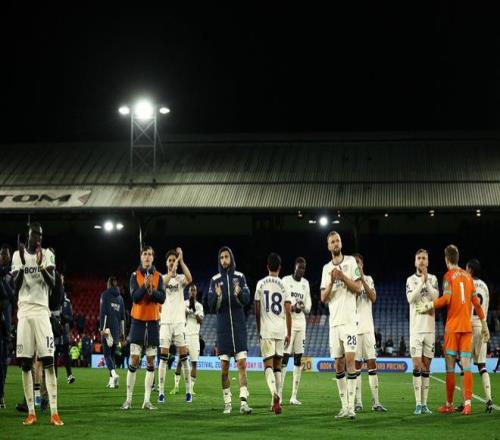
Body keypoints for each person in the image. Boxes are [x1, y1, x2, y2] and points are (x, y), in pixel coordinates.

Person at [416, 244, 489, 415]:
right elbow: (476, 303)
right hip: (467, 327)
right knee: (466, 366)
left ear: (446, 259)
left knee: (450, 367)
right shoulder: (468, 277)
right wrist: (484, 324)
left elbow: (447, 298)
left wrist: (429, 304)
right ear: (457, 258)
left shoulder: (448, 276)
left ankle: (449, 404)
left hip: (453, 327)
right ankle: (468, 405)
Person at [11, 222, 63, 426]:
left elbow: (52, 284)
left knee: (48, 360)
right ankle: (31, 412)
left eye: (41, 235)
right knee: (25, 364)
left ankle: (54, 412)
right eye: (35, 235)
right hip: (24, 312)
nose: (39, 238)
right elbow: (16, 286)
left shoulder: (47, 254)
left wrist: (40, 266)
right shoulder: (17, 256)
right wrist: (24, 263)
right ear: (28, 235)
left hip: (42, 311)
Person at [320, 231, 362, 420]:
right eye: (332, 242)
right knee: (338, 364)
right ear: (328, 246)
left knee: (350, 361)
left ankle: (351, 407)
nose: (335, 244)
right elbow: (323, 297)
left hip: (349, 321)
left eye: (337, 240)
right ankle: (344, 406)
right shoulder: (326, 268)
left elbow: (358, 288)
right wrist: (331, 281)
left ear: (341, 243)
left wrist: (343, 277)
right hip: (334, 323)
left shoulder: (351, 262)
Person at [208, 246, 252, 415]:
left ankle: (243, 402)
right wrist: (218, 296)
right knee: (224, 368)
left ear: (231, 258)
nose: (224, 260)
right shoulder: (215, 280)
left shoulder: (240, 277)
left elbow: (246, 299)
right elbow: (211, 305)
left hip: (239, 328)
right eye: (222, 257)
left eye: (226, 257)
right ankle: (227, 403)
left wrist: (239, 294)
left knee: (242, 365)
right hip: (223, 330)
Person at [121, 245, 165, 410]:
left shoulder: (159, 277)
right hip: (138, 323)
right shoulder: (135, 276)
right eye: (145, 254)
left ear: (153, 257)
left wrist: (152, 291)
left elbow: (162, 298)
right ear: (141, 257)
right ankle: (128, 400)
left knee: (151, 362)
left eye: (150, 254)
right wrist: (144, 286)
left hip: (153, 323)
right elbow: (135, 297)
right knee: (134, 360)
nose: (147, 257)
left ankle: (146, 401)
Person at [255, 253, 292, 415]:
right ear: (280, 268)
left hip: (267, 330)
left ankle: (274, 394)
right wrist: (288, 333)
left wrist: (259, 329)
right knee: (278, 366)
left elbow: (257, 310)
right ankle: (276, 401)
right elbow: (288, 311)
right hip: (280, 330)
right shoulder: (284, 285)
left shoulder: (261, 284)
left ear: (267, 267)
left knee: (268, 366)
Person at [157, 248, 193, 404]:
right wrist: (171, 272)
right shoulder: (161, 278)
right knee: (163, 358)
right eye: (170, 260)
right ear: (166, 263)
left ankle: (188, 391)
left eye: (174, 260)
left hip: (179, 322)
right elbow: (161, 285)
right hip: (165, 322)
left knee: (184, 357)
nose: (172, 262)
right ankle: (161, 392)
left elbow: (190, 278)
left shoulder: (180, 279)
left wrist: (182, 261)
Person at [352, 253, 387, 412]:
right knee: (357, 366)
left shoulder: (369, 279)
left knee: (372, 364)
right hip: (354, 329)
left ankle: (376, 402)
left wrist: (362, 279)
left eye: (358, 262)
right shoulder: (350, 282)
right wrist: (356, 282)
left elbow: (373, 297)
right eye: (354, 262)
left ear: (362, 264)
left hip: (368, 329)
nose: (356, 264)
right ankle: (358, 402)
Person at [406, 248, 439, 415]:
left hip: (430, 329)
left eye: (424, 258)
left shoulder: (433, 279)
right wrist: (421, 282)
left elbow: (436, 298)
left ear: (428, 261)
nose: (421, 261)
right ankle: (418, 404)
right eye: (419, 258)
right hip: (416, 330)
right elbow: (410, 299)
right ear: (415, 262)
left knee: (426, 367)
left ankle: (425, 404)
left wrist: (427, 281)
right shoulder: (410, 280)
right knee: (417, 365)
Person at [280, 257, 311, 405]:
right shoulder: (285, 281)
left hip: (301, 324)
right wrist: (292, 307)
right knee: (284, 359)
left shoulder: (305, 284)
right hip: (288, 324)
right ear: (295, 267)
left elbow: (309, 307)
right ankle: (279, 395)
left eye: (304, 268)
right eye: (300, 268)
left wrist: (302, 306)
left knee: (298, 359)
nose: (301, 271)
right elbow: (279, 303)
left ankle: (293, 396)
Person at [465, 259, 493, 412]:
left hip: (469, 328)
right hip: (482, 327)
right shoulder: (485, 287)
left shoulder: (467, 283)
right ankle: (489, 399)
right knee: (482, 366)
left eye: (466, 268)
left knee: (465, 366)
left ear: (470, 270)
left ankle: (466, 403)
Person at [170, 284, 204, 395]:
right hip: (184, 335)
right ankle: (176, 386)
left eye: (194, 290)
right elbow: (179, 317)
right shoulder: (183, 304)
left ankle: (191, 388)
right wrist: (186, 311)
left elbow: (201, 321)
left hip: (195, 336)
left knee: (194, 363)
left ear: (196, 292)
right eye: (191, 290)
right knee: (180, 361)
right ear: (188, 292)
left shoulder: (199, 306)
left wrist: (194, 312)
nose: (192, 292)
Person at [99, 276, 125, 389]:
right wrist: (123, 333)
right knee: (112, 355)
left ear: (108, 284)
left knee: (107, 355)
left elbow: (103, 313)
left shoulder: (105, 295)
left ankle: (114, 375)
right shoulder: (120, 298)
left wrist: (102, 328)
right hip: (117, 330)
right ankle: (112, 382)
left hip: (108, 329)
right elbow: (123, 317)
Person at [0, 244, 14, 409]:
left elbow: (13, 296)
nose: (4, 257)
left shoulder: (11, 275)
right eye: (2, 254)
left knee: (3, 361)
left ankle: (1, 394)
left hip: (6, 322)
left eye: (6, 255)